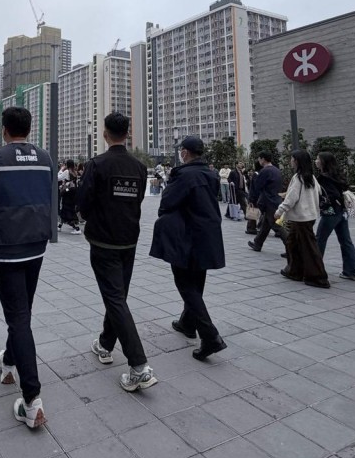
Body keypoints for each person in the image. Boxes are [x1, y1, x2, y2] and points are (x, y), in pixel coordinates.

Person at [0, 107, 55, 429]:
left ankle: (32, 400)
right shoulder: (46, 158)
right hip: (36, 246)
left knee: (19, 317)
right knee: (22, 312)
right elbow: (52, 200)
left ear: (5, 129)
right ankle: (9, 361)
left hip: (8, 249)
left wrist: (0, 229)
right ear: (29, 129)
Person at [77, 112, 157, 392]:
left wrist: (88, 216)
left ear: (105, 134)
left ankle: (139, 366)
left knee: (115, 298)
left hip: (104, 242)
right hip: (129, 241)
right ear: (127, 134)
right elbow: (137, 200)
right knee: (118, 296)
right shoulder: (138, 167)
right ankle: (105, 343)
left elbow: (83, 202)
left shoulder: (97, 164)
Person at [150, 137, 228, 360]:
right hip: (207, 233)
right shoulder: (211, 174)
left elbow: (168, 203)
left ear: (185, 152)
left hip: (187, 235)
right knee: (197, 280)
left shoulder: (183, 174)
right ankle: (187, 322)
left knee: (184, 282)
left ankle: (210, 336)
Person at [276, 150, 331, 288]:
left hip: (301, 218)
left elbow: (291, 198)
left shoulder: (299, 178)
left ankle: (318, 277)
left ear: (297, 161)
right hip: (308, 216)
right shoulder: (310, 177)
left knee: (309, 248)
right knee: (292, 243)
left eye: (292, 158)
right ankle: (294, 270)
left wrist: (279, 211)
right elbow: (318, 193)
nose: (290, 161)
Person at [315, 152, 355, 282]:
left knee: (319, 240)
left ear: (323, 162)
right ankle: (353, 271)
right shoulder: (338, 175)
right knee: (346, 241)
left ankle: (314, 270)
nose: (316, 161)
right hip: (342, 212)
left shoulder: (324, 178)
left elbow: (331, 195)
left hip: (331, 213)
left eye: (318, 159)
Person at [248, 151, 288, 252]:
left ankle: (291, 248)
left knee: (277, 225)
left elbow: (257, 187)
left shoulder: (265, 171)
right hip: (275, 200)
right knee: (266, 224)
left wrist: (252, 199)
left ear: (263, 159)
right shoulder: (276, 170)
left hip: (269, 201)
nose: (258, 160)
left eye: (259, 158)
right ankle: (258, 243)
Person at [58, 160, 81, 234]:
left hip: (67, 193)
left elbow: (58, 178)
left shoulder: (66, 171)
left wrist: (61, 170)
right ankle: (59, 226)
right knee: (66, 209)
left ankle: (77, 228)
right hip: (73, 193)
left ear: (67, 165)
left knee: (67, 209)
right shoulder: (75, 172)